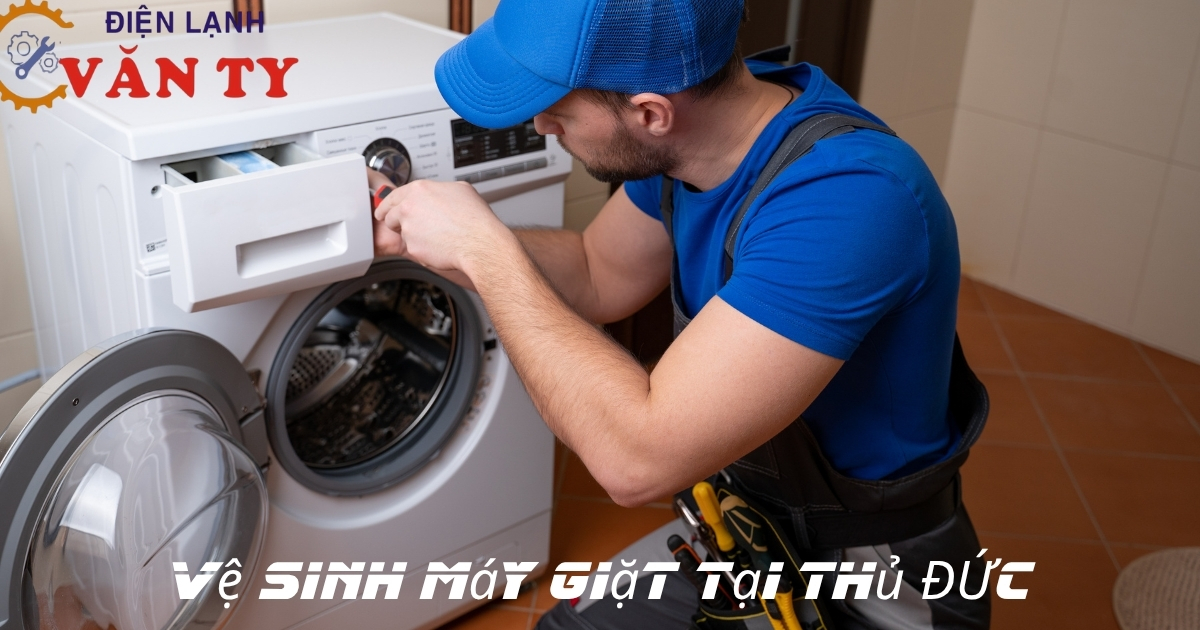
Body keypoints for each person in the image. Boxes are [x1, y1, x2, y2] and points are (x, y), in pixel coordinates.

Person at [370, 0, 991, 627]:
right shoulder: (688, 148)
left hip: (875, 575)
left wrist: (487, 253)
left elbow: (634, 462)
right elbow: (595, 270)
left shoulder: (851, 198)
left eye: (556, 111)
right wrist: (445, 244)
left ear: (650, 113)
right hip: (745, 530)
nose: (541, 127)